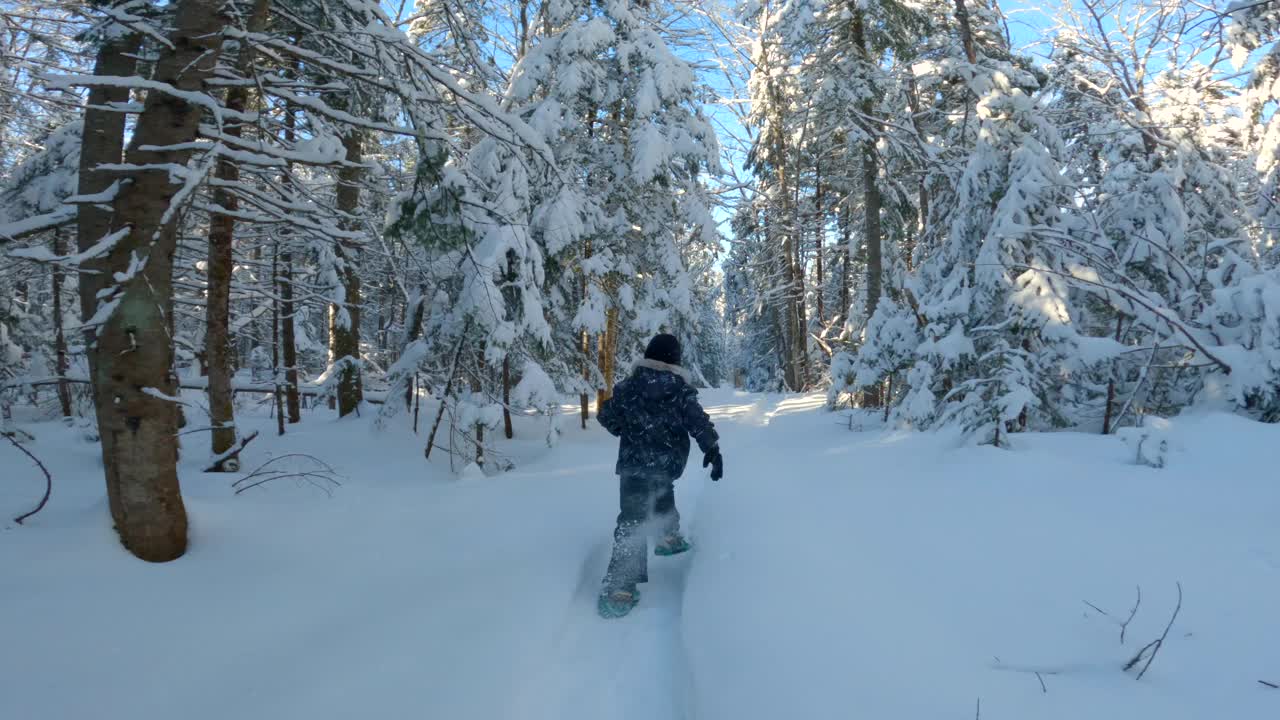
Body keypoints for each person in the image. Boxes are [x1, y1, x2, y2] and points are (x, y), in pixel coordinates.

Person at [595, 333, 723, 618]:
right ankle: (666, 539)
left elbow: (606, 416)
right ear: (675, 361)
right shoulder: (679, 390)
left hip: (633, 466)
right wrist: (712, 449)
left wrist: (623, 428)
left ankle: (622, 587)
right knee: (661, 494)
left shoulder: (629, 388)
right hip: (666, 464)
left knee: (631, 518)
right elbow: (697, 421)